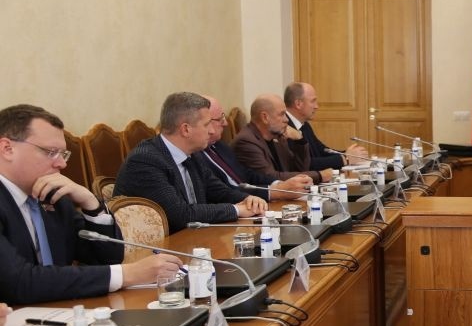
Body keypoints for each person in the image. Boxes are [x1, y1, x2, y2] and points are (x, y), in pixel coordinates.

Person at [0, 104, 181, 304]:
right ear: (7, 149)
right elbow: (18, 282)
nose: (62, 164)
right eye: (51, 152)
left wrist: (91, 202)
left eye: (63, 154)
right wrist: (127, 274)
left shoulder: (52, 197)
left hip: (64, 311)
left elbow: (107, 258)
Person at [115, 92, 267, 233]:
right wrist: (237, 210)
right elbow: (180, 215)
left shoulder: (193, 155)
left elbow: (219, 191)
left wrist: (247, 200)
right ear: (186, 129)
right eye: (206, 124)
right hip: (159, 247)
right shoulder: (145, 161)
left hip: (194, 238)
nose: (211, 131)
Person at [199, 96, 313, 200]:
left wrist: (278, 185)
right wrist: (277, 191)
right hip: (240, 205)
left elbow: (246, 174)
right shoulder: (245, 140)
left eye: (223, 117)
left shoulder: (219, 145)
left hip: (251, 201)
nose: (225, 123)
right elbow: (223, 191)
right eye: (219, 119)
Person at [232, 94, 334, 185]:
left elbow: (299, 169)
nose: (286, 119)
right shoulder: (246, 141)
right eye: (281, 114)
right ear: (265, 117)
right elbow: (270, 177)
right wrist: (319, 175)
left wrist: (300, 140)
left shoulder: (277, 136)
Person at [284, 82, 368, 170]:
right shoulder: (285, 128)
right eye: (313, 101)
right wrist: (345, 159)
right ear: (298, 104)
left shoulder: (304, 125)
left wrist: (348, 154)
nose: (316, 106)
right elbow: (304, 164)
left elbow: (322, 151)